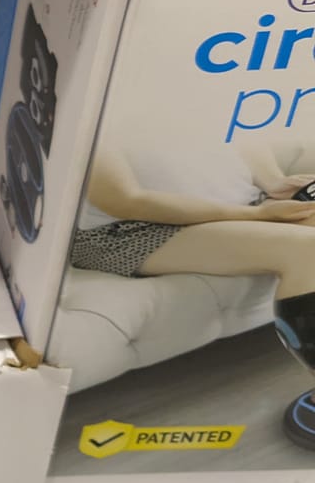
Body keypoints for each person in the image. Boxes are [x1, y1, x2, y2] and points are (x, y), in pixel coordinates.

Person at [73, 136, 315, 432]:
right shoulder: (94, 115)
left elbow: (241, 135)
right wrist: (257, 215)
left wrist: (274, 182)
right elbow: (125, 200)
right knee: (309, 250)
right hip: (131, 230)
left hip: (243, 204)